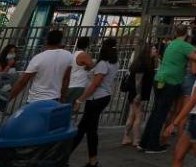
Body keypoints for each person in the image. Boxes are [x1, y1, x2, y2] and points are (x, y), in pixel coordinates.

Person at [141, 25, 196, 153]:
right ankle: (152, 145)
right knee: (161, 113)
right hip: (171, 81)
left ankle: (144, 142)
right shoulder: (184, 45)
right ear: (187, 35)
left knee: (156, 111)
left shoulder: (171, 44)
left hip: (160, 78)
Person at [72, 37, 119, 167]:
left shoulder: (103, 63)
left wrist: (80, 99)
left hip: (96, 98)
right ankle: (92, 160)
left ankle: (67, 156)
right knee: (87, 128)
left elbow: (95, 85)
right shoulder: (114, 63)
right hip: (104, 96)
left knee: (87, 129)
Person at [8, 29, 72, 103]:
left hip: (35, 100)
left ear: (46, 41)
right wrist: (63, 97)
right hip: (54, 99)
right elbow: (66, 79)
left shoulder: (38, 58)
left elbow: (23, 82)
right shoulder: (68, 56)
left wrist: (9, 98)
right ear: (61, 41)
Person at [122, 43, 158, 147]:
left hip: (136, 92)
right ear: (148, 51)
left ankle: (126, 136)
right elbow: (138, 81)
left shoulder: (142, 62)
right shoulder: (142, 64)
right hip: (139, 93)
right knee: (139, 116)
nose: (155, 50)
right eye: (153, 48)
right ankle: (136, 139)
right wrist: (138, 94)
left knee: (132, 115)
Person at [67, 37, 94, 105]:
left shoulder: (73, 54)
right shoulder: (83, 55)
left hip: (71, 83)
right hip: (78, 84)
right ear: (87, 44)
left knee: (68, 106)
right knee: (73, 107)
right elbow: (92, 65)